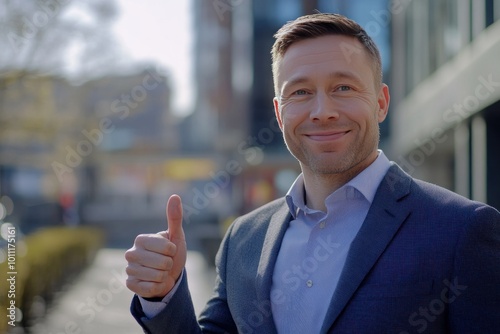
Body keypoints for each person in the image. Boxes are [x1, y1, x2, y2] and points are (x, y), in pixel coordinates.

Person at [125, 13, 500, 333]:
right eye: (301, 93)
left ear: (381, 102)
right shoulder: (243, 238)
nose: (323, 110)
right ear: (278, 112)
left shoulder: (462, 231)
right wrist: (164, 293)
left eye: (343, 87)